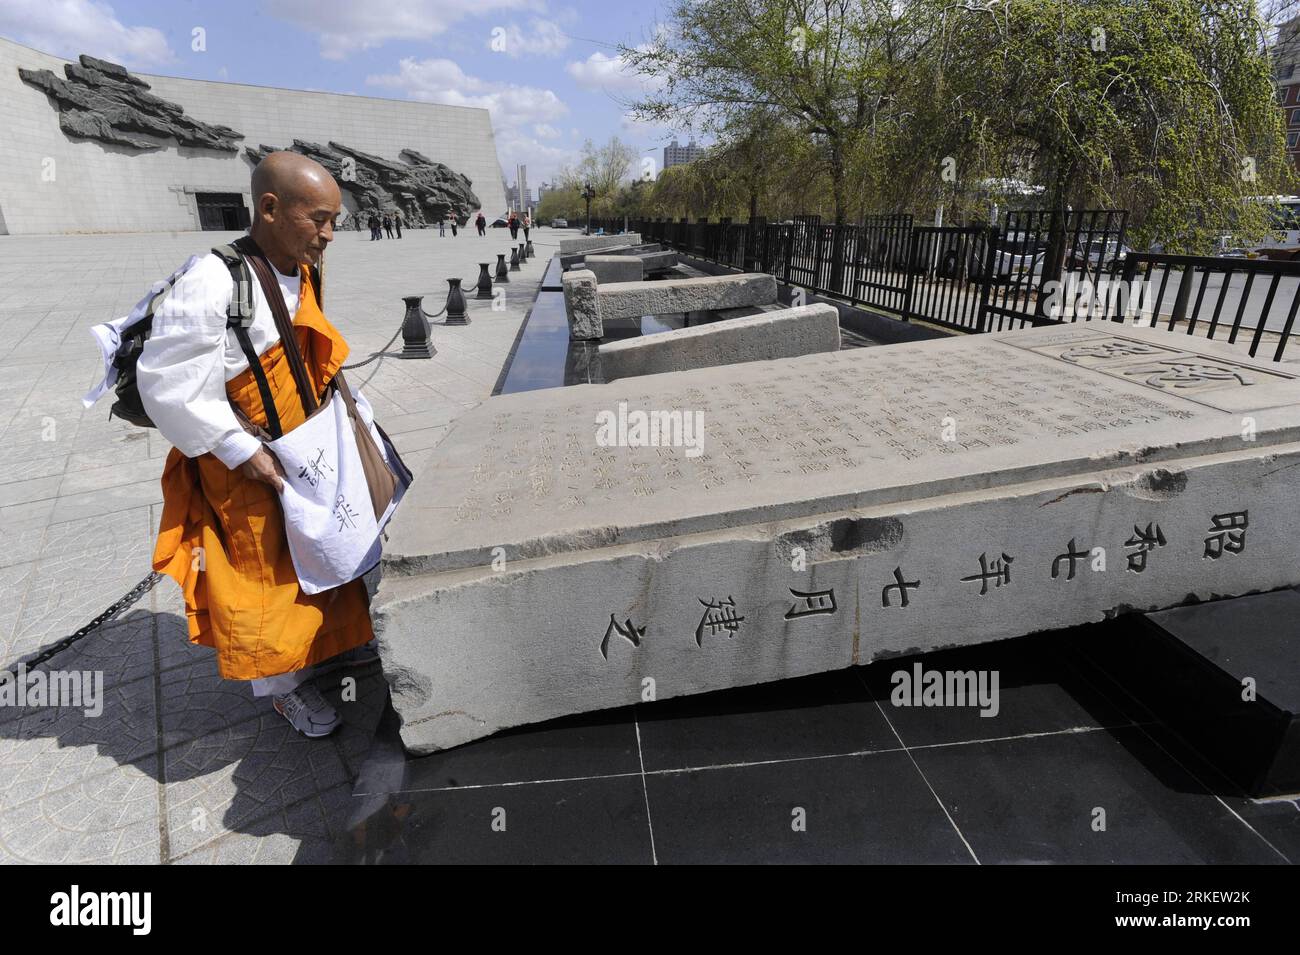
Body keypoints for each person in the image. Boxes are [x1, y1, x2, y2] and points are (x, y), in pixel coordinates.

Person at [136, 151, 379, 738]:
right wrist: (244, 453)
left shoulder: (303, 265)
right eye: (318, 219)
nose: (328, 236)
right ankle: (281, 688)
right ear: (269, 208)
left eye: (334, 222)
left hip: (308, 446)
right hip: (247, 464)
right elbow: (166, 385)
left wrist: (350, 419)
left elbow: (309, 353)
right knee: (263, 577)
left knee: (324, 553)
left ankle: (331, 647)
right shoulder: (212, 281)